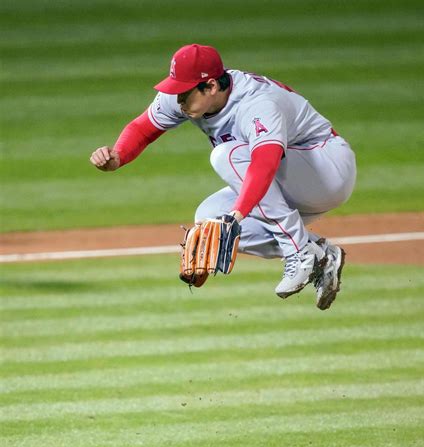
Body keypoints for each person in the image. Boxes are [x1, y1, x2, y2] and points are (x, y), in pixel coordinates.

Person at [90, 44, 356, 309]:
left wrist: (238, 214)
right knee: (209, 220)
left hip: (326, 169)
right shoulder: (187, 96)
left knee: (225, 156)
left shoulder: (257, 103)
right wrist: (117, 157)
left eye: (184, 93)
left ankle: (298, 253)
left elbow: (265, 164)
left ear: (212, 86)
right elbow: (143, 128)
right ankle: (320, 253)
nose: (179, 102)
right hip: (291, 178)